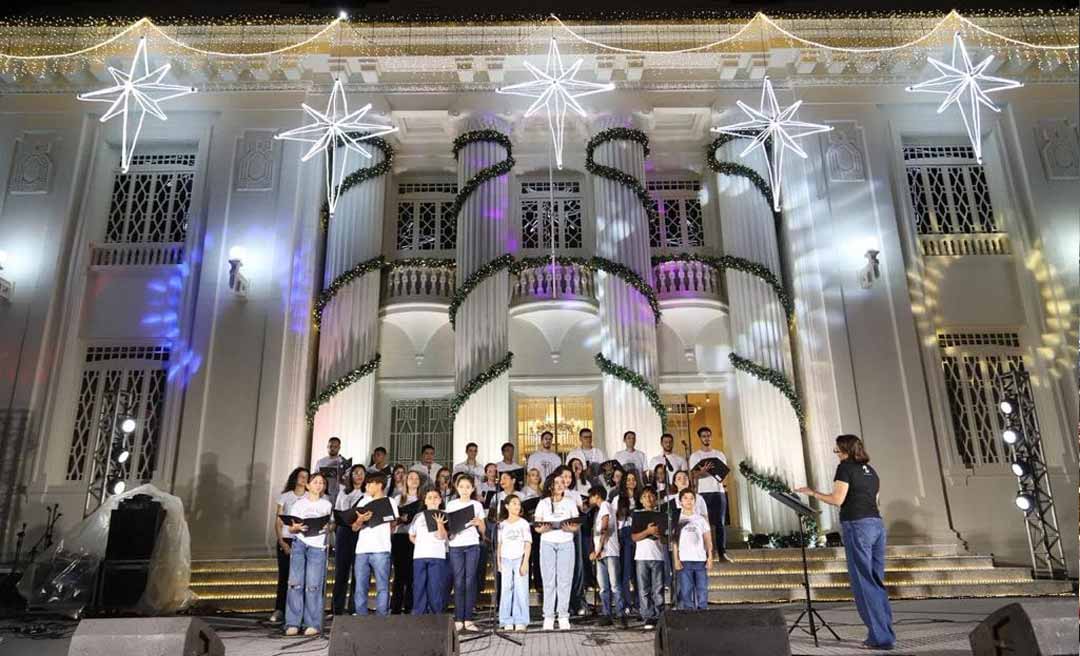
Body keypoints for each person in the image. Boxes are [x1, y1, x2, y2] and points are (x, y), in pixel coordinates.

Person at [796, 434, 896, 651]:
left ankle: (880, 638)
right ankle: (884, 633)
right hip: (876, 525)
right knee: (876, 582)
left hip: (857, 525)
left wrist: (812, 492)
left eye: (837, 450)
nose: (836, 454)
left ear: (846, 450)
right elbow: (876, 499)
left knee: (863, 582)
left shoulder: (845, 468)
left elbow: (837, 499)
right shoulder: (871, 471)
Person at [284, 472, 332, 636]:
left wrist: (328, 528)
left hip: (318, 546)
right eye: (315, 482)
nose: (319, 485)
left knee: (313, 585)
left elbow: (330, 525)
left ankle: (312, 623)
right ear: (308, 485)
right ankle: (292, 622)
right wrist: (295, 528)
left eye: (322, 483)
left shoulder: (326, 504)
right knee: (295, 583)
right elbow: (290, 527)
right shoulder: (299, 504)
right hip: (300, 543)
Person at [535, 473, 580, 631]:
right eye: (556, 483)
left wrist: (570, 528)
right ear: (550, 485)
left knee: (564, 580)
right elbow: (537, 526)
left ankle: (563, 615)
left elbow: (576, 525)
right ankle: (548, 616)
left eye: (562, 482)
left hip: (566, 543)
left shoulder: (570, 502)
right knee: (548, 581)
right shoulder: (543, 503)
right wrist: (542, 528)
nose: (560, 485)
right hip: (547, 542)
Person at [352, 473, 399, 616]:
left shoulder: (390, 501)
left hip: (382, 548)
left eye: (369, 484)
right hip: (362, 549)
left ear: (379, 485)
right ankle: (361, 616)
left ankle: (382, 616)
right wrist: (360, 520)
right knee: (360, 586)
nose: (366, 486)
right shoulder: (362, 501)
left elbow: (394, 523)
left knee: (382, 586)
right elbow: (354, 527)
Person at [446, 473, 486, 632]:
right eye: (461, 486)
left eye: (468, 487)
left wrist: (478, 523)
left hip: (472, 545)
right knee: (459, 581)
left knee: (470, 581)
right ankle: (458, 618)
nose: (464, 490)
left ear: (472, 489)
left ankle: (468, 618)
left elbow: (483, 530)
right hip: (456, 545)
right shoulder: (451, 504)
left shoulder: (477, 505)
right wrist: (452, 532)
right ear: (456, 487)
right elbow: (449, 528)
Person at [689, 426, 732, 563]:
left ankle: (722, 553)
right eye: (704, 436)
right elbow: (692, 475)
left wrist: (711, 472)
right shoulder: (695, 456)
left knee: (720, 523)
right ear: (700, 438)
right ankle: (706, 554)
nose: (706, 438)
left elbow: (724, 473)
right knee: (703, 523)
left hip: (718, 491)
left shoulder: (719, 454)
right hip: (702, 493)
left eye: (708, 435)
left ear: (711, 437)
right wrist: (704, 472)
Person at [272, 467, 308, 624]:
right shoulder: (285, 496)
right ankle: (280, 609)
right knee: (284, 576)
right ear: (295, 478)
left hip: (303, 541)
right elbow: (278, 521)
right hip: (286, 539)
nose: (303, 479)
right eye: (301, 476)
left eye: (306, 477)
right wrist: (281, 541)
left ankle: (299, 610)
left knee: (301, 578)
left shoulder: (309, 497)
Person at [588, 485, 624, 628]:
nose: (590, 499)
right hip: (602, 552)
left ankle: (620, 614)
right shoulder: (600, 509)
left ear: (597, 495)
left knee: (614, 584)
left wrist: (598, 549)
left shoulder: (605, 506)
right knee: (603, 586)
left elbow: (605, 527)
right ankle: (606, 614)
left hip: (609, 551)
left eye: (591, 496)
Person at [332, 464, 366, 615]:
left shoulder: (367, 493)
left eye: (361, 473)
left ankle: (354, 607)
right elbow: (337, 514)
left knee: (358, 571)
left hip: (361, 532)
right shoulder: (343, 493)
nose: (359, 475)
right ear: (350, 476)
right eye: (355, 473)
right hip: (344, 532)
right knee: (341, 571)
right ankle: (337, 608)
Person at [410, 488, 449, 615]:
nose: (433, 499)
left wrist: (439, 524)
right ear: (425, 501)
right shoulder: (418, 516)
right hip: (420, 555)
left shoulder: (445, 514)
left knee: (435, 586)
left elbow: (443, 536)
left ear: (440, 500)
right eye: (429, 497)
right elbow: (411, 535)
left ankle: (435, 614)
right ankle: (419, 613)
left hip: (437, 555)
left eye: (436, 497)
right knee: (419, 586)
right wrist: (420, 544)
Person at [497, 494, 532, 631]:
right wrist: (499, 561)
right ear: (506, 506)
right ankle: (506, 620)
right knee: (506, 589)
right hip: (506, 559)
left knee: (521, 589)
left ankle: (521, 619)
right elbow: (500, 544)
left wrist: (525, 562)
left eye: (518, 503)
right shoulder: (502, 525)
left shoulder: (523, 523)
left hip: (519, 558)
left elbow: (527, 544)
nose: (517, 506)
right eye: (513, 503)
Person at [631, 486, 665, 630]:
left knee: (658, 588)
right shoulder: (637, 515)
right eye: (645, 497)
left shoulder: (661, 514)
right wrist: (648, 531)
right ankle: (648, 617)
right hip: (641, 556)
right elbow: (634, 537)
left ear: (655, 499)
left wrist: (659, 535)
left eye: (651, 496)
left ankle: (660, 616)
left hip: (658, 556)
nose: (649, 499)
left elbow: (667, 538)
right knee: (644, 589)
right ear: (641, 500)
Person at [673, 489, 712, 610]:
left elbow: (708, 540)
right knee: (686, 589)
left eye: (691, 498)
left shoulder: (701, 519)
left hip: (700, 559)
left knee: (702, 589)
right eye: (685, 498)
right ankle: (689, 614)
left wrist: (710, 557)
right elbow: (675, 542)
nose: (689, 501)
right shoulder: (677, 519)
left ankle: (703, 611)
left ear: (695, 501)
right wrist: (676, 559)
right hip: (685, 560)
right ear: (680, 501)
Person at [390, 470, 422, 614]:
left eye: (416, 478)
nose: (414, 480)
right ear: (406, 481)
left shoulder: (423, 499)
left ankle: (410, 606)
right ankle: (396, 607)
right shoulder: (398, 499)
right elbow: (391, 520)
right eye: (411, 478)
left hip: (416, 538)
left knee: (412, 575)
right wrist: (399, 520)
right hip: (400, 536)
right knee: (399, 574)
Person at [611, 469, 642, 617]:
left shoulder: (641, 498)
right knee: (626, 571)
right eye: (628, 479)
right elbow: (614, 521)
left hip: (640, 534)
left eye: (633, 479)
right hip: (624, 534)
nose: (631, 482)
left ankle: (638, 603)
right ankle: (626, 603)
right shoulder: (618, 498)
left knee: (638, 571)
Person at [315, 437, 347, 502]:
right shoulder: (320, 462)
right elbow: (315, 478)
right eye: (330, 446)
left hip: (339, 494)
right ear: (327, 447)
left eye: (335, 447)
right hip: (322, 493)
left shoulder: (344, 462)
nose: (332, 449)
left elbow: (348, 480)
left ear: (339, 448)